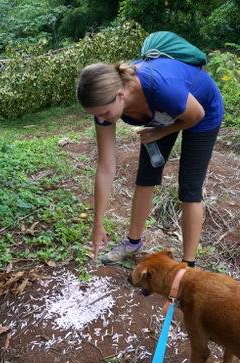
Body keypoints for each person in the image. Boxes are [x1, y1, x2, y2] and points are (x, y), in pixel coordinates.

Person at [76, 56, 223, 267]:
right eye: (96, 115)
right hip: (162, 116)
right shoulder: (104, 110)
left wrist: (161, 132)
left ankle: (187, 265)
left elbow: (196, 115)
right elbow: (106, 167)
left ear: (120, 96)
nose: (102, 119)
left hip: (202, 112)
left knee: (190, 188)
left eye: (105, 113)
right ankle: (133, 242)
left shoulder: (161, 87)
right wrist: (97, 223)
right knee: (145, 178)